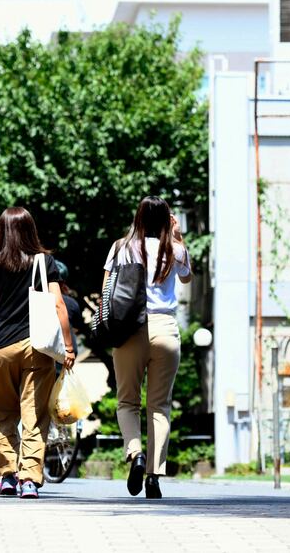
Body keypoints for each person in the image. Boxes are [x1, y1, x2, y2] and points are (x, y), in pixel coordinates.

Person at [0, 207, 74, 500]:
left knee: (2, 412)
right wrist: (68, 346)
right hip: (37, 348)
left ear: (2, 231)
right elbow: (59, 305)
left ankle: (6, 475)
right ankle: (29, 479)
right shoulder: (45, 262)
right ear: (30, 229)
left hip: (2, 348)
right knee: (33, 415)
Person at [104, 196, 193, 499]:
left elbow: (107, 288)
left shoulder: (121, 247)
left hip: (130, 328)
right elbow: (187, 277)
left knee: (128, 400)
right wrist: (178, 236)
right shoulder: (176, 249)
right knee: (160, 404)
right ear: (167, 219)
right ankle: (154, 476)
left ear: (138, 218)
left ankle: (135, 453)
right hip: (165, 328)